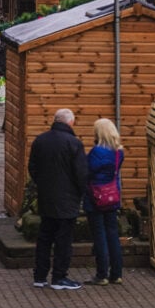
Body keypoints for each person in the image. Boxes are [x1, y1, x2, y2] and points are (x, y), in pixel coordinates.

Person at [28, 107, 87, 291]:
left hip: (46, 197)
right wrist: (81, 193)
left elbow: (33, 168)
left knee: (45, 237)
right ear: (70, 123)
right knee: (63, 240)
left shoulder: (40, 141)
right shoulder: (74, 144)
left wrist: (42, 185)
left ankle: (39, 275)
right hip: (67, 200)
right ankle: (59, 277)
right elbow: (81, 173)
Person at [84, 118, 124, 285]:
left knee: (99, 235)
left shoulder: (96, 152)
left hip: (96, 196)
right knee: (113, 234)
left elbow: (88, 171)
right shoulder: (118, 152)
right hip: (112, 194)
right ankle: (117, 273)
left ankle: (102, 274)